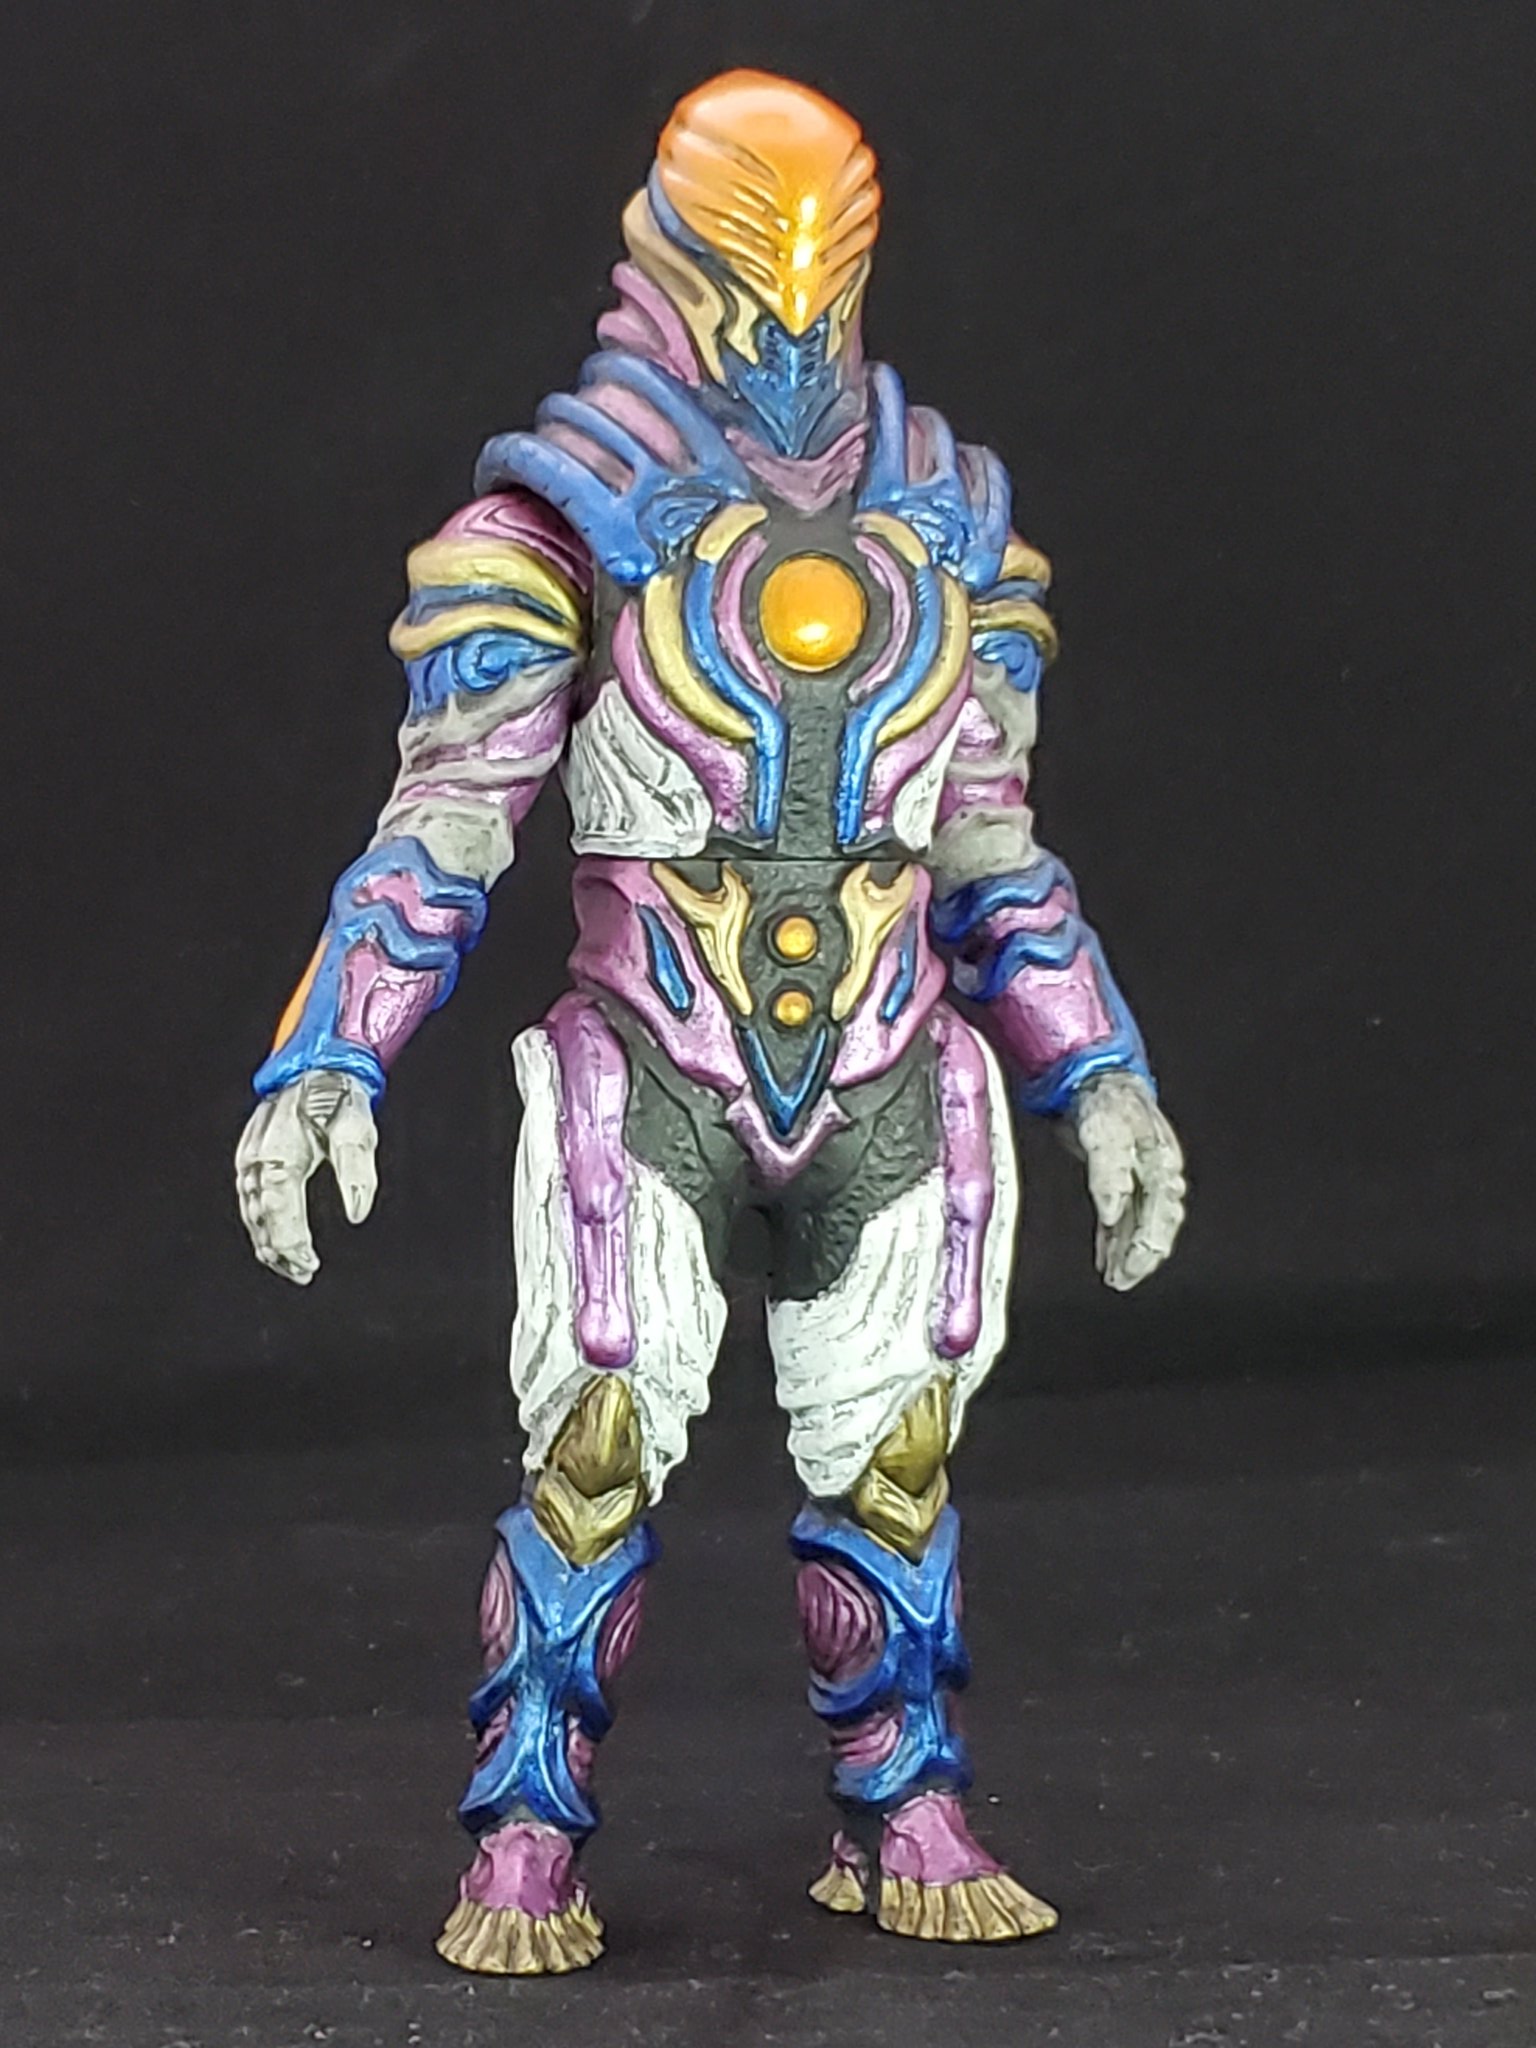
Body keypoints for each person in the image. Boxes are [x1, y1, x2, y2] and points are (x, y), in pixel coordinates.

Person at [235, 69, 1187, 1975]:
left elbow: (992, 848)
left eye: (824, 244)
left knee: (895, 1456)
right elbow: (448, 821)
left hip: (889, 1064)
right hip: (652, 1060)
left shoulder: (947, 520)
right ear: (673, 252)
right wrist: (331, 1052)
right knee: (594, 1443)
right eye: (759, 245)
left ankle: (904, 1803)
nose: (793, 290)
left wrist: (1103, 1077)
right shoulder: (562, 514)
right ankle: (525, 1832)